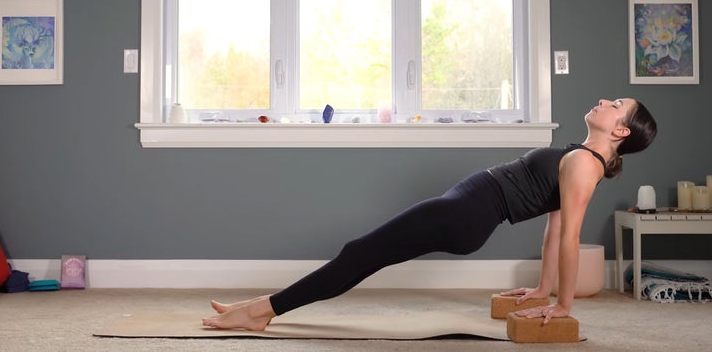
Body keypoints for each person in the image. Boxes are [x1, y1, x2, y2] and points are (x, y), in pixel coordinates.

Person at [202, 98, 657, 330]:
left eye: (616, 104)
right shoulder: (579, 156)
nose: (604, 100)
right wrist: (542, 287)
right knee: (363, 254)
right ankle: (258, 308)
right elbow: (553, 222)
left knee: (359, 252)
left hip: (465, 214)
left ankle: (260, 312)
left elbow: (569, 236)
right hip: (464, 210)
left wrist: (562, 304)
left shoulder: (583, 165)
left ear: (619, 129)